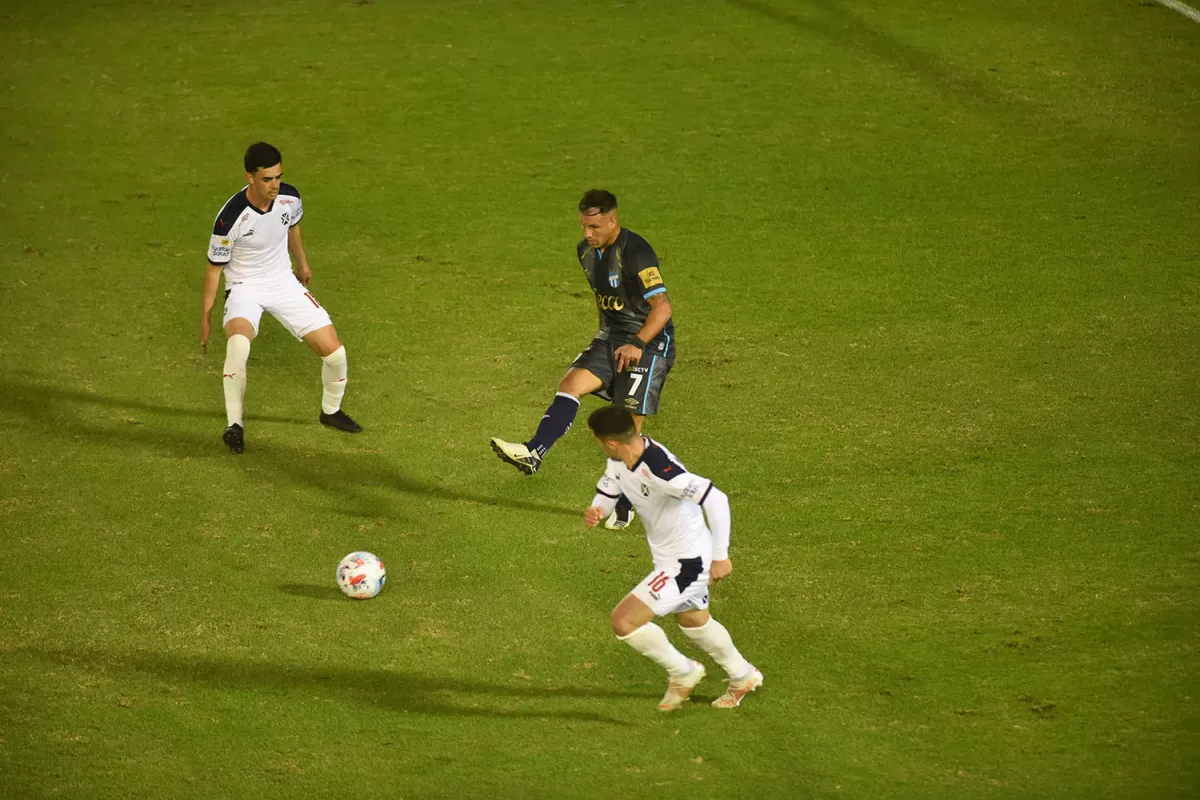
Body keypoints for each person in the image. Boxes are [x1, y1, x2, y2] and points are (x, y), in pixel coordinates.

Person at [491, 189, 675, 529]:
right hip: (611, 339)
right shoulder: (585, 253)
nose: (587, 234)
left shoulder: (637, 252)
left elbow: (662, 308)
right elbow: (603, 300)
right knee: (570, 383)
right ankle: (534, 452)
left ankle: (627, 498)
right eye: (582, 226)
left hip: (647, 345)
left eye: (594, 227)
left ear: (612, 220)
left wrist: (636, 342)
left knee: (624, 431)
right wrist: (602, 335)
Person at [584, 406, 763, 711]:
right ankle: (743, 675)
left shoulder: (659, 469)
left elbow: (716, 498)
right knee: (694, 621)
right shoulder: (621, 457)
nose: (597, 444)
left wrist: (721, 556)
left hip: (687, 562)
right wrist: (599, 507)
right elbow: (611, 482)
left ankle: (682, 671)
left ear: (611, 442)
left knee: (624, 621)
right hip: (672, 554)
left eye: (597, 439)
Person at [200, 142, 362, 453]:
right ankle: (234, 425)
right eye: (267, 179)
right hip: (245, 286)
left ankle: (331, 412)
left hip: (283, 282)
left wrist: (302, 263)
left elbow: (293, 230)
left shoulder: (290, 197)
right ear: (250, 177)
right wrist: (207, 316)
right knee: (238, 346)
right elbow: (213, 271)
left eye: (278, 177)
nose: (275, 185)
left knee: (336, 354)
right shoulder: (229, 218)